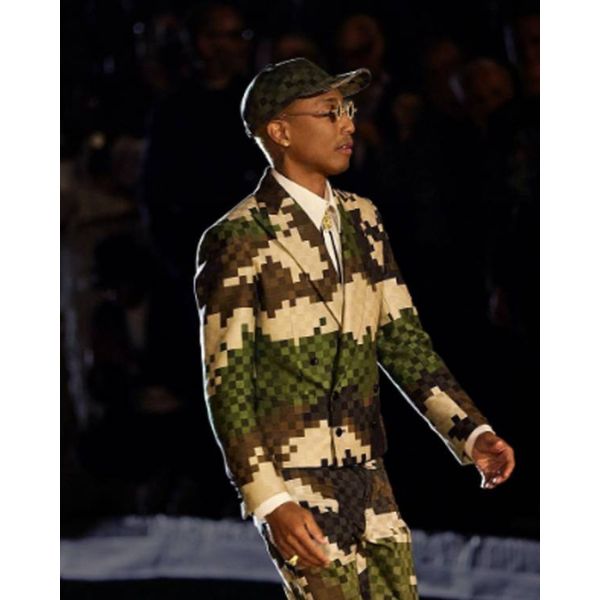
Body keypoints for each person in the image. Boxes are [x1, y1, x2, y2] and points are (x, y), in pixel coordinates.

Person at [194, 58, 515, 599]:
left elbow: (403, 341)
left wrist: (471, 432)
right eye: (329, 112)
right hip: (295, 480)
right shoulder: (239, 237)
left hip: (369, 474)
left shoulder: (363, 218)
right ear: (280, 131)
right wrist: (269, 499)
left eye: (347, 110)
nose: (348, 123)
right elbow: (228, 384)